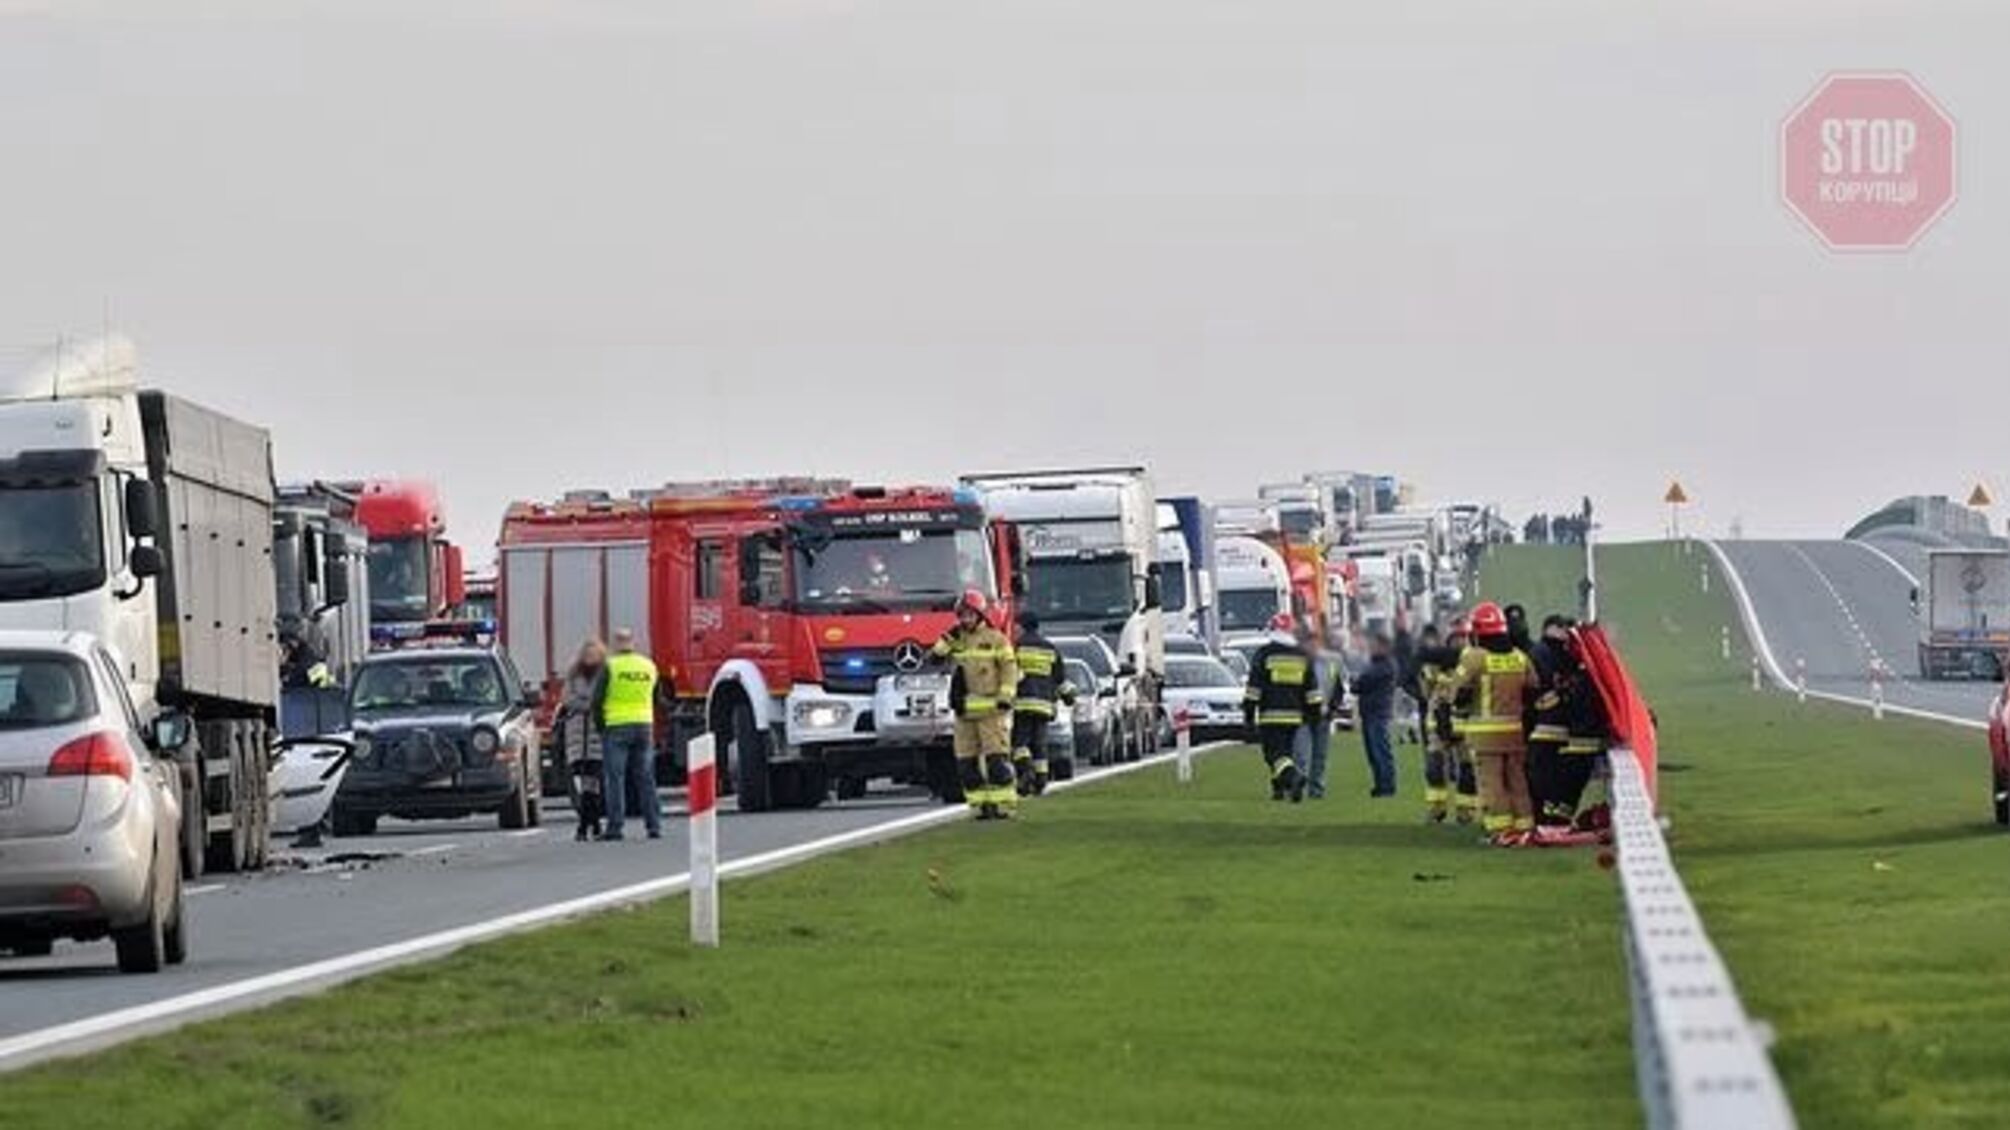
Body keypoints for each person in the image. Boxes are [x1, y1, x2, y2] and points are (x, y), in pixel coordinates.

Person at [1446, 601, 1540, 846]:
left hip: (1485, 736)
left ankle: (1500, 831)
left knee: (1493, 785)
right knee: (1518, 781)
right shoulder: (1520, 657)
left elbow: (1453, 693)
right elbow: (1534, 688)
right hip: (1516, 733)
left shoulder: (1475, 657)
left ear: (1477, 632)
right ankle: (1524, 828)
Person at [932, 590, 1020, 820]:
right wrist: (946, 639)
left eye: (969, 615)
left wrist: (1005, 696)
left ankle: (1003, 805)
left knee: (996, 764)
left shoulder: (996, 639)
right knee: (966, 765)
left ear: (980, 615)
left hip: (992, 711)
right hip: (964, 714)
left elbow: (1009, 669)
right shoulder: (956, 639)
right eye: (961, 616)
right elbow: (934, 657)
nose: (965, 620)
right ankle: (980, 806)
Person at [592, 628, 664, 841]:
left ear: (615, 645)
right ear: (633, 643)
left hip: (616, 727)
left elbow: (597, 700)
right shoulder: (648, 666)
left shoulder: (610, 666)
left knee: (615, 779)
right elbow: (656, 698)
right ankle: (654, 825)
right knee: (646, 778)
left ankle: (615, 827)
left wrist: (601, 726)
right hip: (644, 725)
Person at [1243, 612, 1318, 802]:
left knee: (1274, 755)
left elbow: (1254, 687)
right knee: (1285, 753)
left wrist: (1249, 715)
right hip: (1295, 717)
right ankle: (1279, 789)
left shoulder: (1264, 654)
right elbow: (1312, 689)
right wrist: (1314, 714)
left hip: (1270, 715)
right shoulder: (1303, 656)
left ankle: (1294, 777)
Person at [1417, 620, 1481, 824]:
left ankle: (1466, 812)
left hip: (1467, 723)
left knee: (1468, 770)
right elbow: (1427, 691)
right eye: (1457, 638)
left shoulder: (1475, 662)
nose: (1461, 642)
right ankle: (1437, 809)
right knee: (1435, 767)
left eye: (1464, 637)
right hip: (1439, 722)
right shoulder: (1435, 664)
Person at [1009, 611, 1070, 796]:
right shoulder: (1051, 648)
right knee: (1039, 745)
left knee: (1019, 744)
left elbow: (1009, 673)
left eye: (1016, 625)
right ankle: (1041, 782)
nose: (1014, 629)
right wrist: (1069, 698)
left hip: (1022, 704)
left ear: (1022, 626)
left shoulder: (1016, 647)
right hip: (1044, 706)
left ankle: (1026, 770)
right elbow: (1061, 680)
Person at [1525, 615, 1577, 827]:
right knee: (1545, 776)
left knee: (1544, 776)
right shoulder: (1547, 653)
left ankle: (1545, 818)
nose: (1566, 632)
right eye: (1562, 627)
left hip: (1549, 726)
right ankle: (1546, 818)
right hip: (1549, 725)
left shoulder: (1546, 652)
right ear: (1550, 628)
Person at [560, 639, 609, 842]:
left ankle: (584, 826)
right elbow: (567, 699)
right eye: (587, 654)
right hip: (577, 734)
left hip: (597, 732)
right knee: (583, 781)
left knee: (593, 781)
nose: (590, 658)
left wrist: (589, 705)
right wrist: (588, 705)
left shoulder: (605, 673)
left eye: (594, 654)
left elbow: (606, 697)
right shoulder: (573, 674)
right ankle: (593, 823)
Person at [1350, 633, 1399, 798]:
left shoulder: (1384, 666)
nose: (1371, 648)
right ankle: (1380, 785)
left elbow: (1360, 684)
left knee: (1380, 751)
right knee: (1373, 752)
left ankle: (1387, 786)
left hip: (1378, 714)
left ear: (1384, 646)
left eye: (1375, 645)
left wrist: (1356, 681)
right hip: (1371, 713)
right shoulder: (1377, 665)